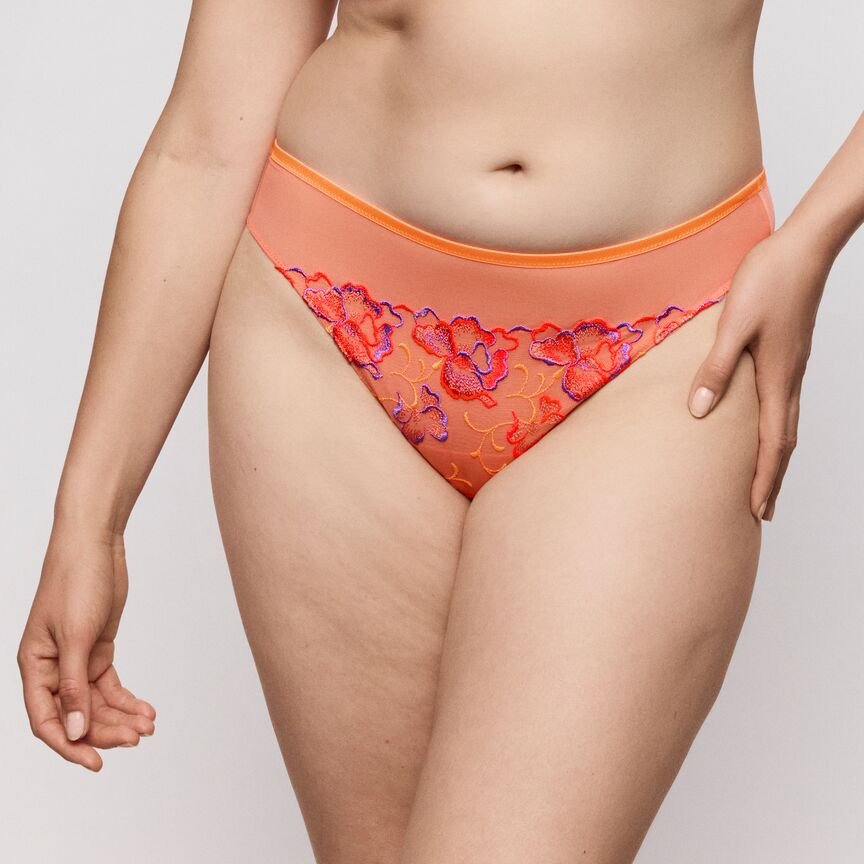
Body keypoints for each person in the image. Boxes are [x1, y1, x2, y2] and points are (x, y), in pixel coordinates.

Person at [17, 1, 863, 861]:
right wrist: (89, 522)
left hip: (661, 341)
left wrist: (814, 240)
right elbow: (208, 134)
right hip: (324, 319)